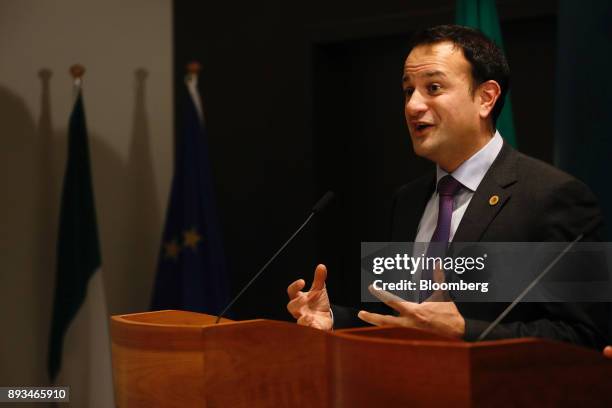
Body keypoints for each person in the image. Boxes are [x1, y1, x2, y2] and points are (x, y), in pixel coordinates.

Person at [286, 24, 609, 349]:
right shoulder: (408, 201)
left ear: (486, 98)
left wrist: (465, 329)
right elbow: (394, 316)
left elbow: (585, 336)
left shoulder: (553, 197)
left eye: (434, 87)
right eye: (408, 90)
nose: (413, 106)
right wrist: (334, 319)